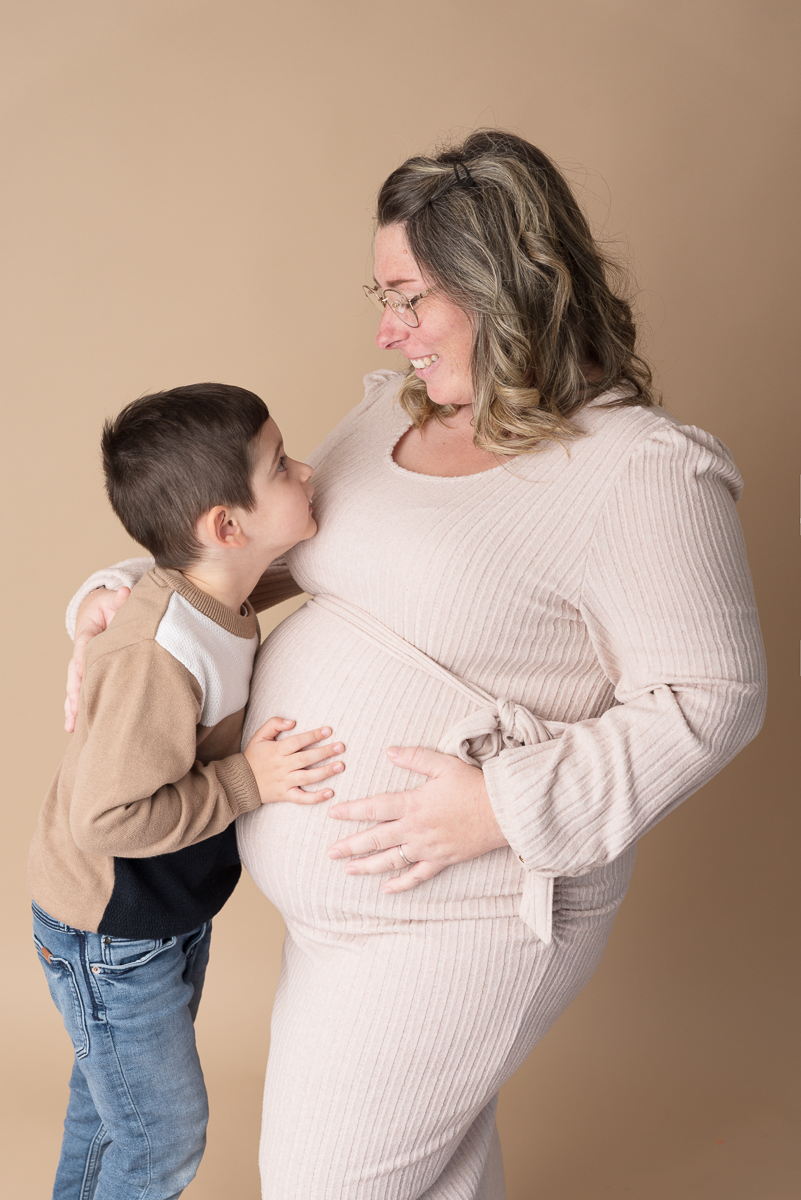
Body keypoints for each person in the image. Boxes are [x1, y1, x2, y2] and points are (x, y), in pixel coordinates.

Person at [65, 131, 766, 1199]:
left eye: (410, 298)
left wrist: (504, 805)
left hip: (467, 907)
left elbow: (715, 698)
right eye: (381, 294)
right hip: (346, 910)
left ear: (510, 288)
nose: (386, 331)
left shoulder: (640, 473)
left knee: (325, 1183)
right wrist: (119, 604)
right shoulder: (387, 421)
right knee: (433, 1177)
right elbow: (242, 550)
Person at [31, 382, 345, 1199]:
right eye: (281, 466)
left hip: (159, 914)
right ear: (227, 526)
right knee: (161, 1144)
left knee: (111, 1120)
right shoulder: (157, 652)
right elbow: (105, 817)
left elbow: (290, 562)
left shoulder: (222, 589)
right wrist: (249, 780)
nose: (308, 471)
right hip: (113, 932)